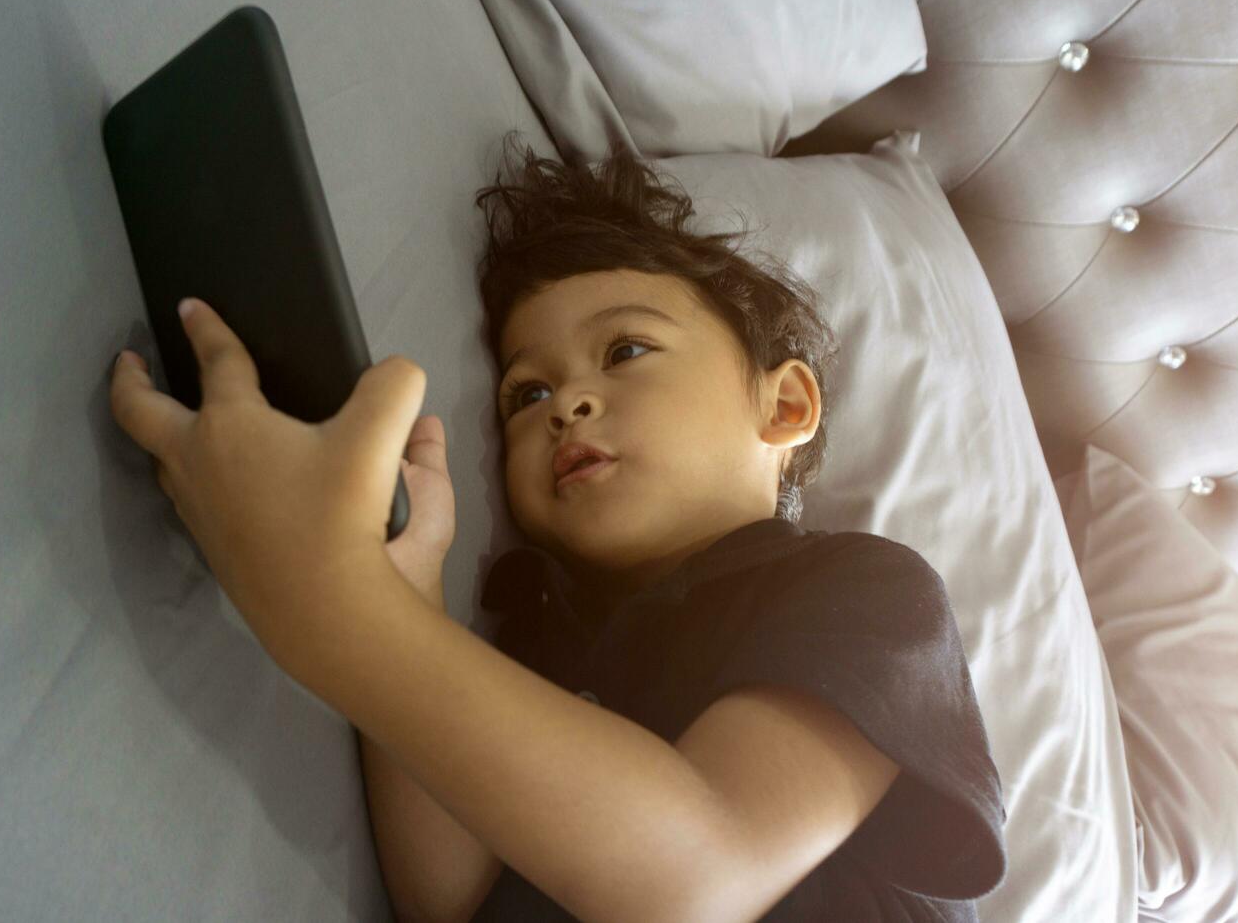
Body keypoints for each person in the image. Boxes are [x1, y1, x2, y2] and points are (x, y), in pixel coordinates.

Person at [374, 131, 1007, 920]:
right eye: (526, 395)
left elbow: (703, 870)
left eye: (626, 350)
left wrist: (351, 616)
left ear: (784, 407)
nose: (567, 403)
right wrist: (397, 584)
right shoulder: (532, 642)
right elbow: (450, 896)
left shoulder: (864, 594)